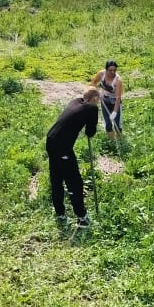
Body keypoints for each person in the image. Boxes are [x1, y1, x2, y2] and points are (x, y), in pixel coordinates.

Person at [45, 87, 100, 228]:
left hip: (51, 140)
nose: (98, 103)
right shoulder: (92, 109)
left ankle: (60, 213)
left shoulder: (75, 101)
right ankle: (82, 218)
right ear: (94, 99)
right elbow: (90, 132)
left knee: (56, 177)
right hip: (62, 146)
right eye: (97, 100)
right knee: (74, 181)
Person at [92, 60, 124, 139]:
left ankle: (120, 142)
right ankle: (111, 142)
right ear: (106, 70)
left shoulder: (118, 80)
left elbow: (118, 98)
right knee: (107, 123)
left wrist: (115, 112)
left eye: (114, 70)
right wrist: (95, 93)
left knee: (117, 124)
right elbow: (93, 83)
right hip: (104, 100)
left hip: (114, 102)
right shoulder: (101, 74)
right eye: (110, 70)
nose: (112, 72)